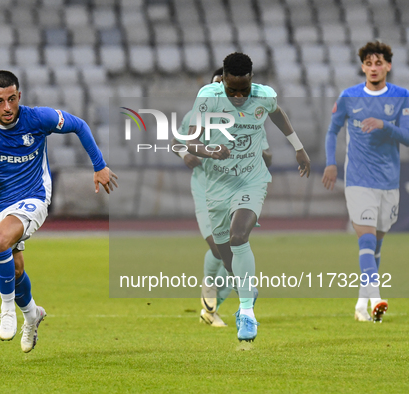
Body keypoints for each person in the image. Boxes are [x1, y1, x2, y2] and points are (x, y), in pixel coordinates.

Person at [0, 70, 117, 352]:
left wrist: (99, 165)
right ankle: (32, 315)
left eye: (12, 99)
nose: (7, 107)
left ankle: (6, 309)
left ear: (19, 96)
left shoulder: (38, 118)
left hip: (33, 196)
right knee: (14, 268)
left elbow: (79, 125)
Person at [185, 53, 311, 342]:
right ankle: (247, 291)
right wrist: (210, 151)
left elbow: (278, 113)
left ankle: (246, 313)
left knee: (239, 235)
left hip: (250, 179)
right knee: (224, 251)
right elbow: (190, 142)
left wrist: (298, 147)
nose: (239, 95)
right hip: (217, 183)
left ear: (251, 79)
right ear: (224, 83)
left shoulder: (264, 96)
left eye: (244, 89)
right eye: (233, 90)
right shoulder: (208, 97)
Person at [172, 67, 272, 328]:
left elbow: (264, 151)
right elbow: (176, 141)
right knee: (218, 248)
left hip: (236, 187)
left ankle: (214, 307)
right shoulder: (197, 114)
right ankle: (216, 295)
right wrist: (185, 154)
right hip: (206, 188)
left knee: (235, 246)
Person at [322, 41, 409, 323]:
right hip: (358, 180)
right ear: (363, 68)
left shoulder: (401, 96)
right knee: (367, 239)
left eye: (378, 63)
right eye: (368, 64)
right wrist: (331, 163)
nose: (373, 68)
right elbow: (332, 131)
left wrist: (385, 125)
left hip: (388, 181)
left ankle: (361, 306)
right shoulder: (349, 97)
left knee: (376, 246)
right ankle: (376, 299)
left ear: (388, 66)